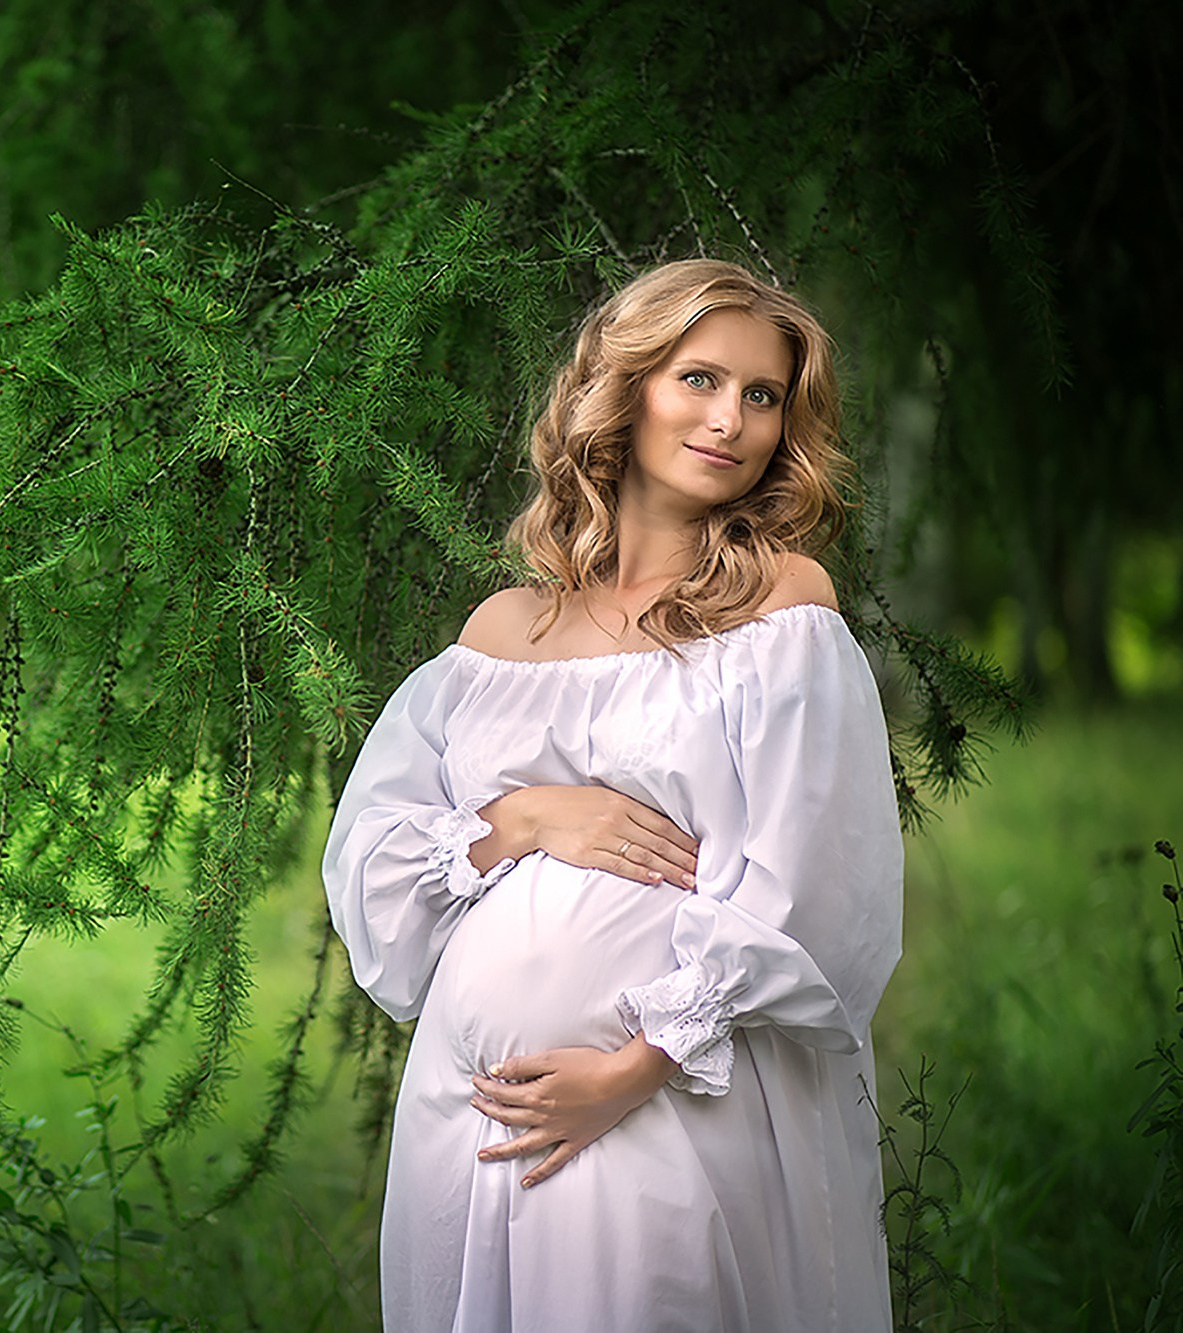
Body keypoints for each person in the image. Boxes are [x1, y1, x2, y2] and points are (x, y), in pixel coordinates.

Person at [322, 258, 903, 1332]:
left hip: (669, 1099)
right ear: (625, 388)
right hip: (467, 1114)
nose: (729, 419)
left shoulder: (780, 608)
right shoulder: (504, 629)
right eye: (699, 379)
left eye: (762, 395)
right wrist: (523, 819)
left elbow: (820, 888)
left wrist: (632, 1071)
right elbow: (377, 862)